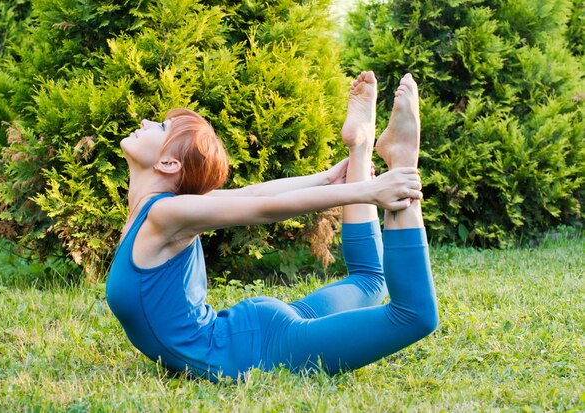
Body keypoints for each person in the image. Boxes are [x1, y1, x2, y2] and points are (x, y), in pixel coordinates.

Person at [106, 71, 438, 381]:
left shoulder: (163, 214)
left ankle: (401, 161)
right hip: (250, 335)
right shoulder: (160, 213)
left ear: (168, 163)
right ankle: (362, 147)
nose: (147, 121)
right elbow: (252, 197)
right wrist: (340, 183)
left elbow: (260, 204)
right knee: (370, 280)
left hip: (258, 350)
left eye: (160, 127)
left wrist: (354, 187)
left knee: (415, 316)